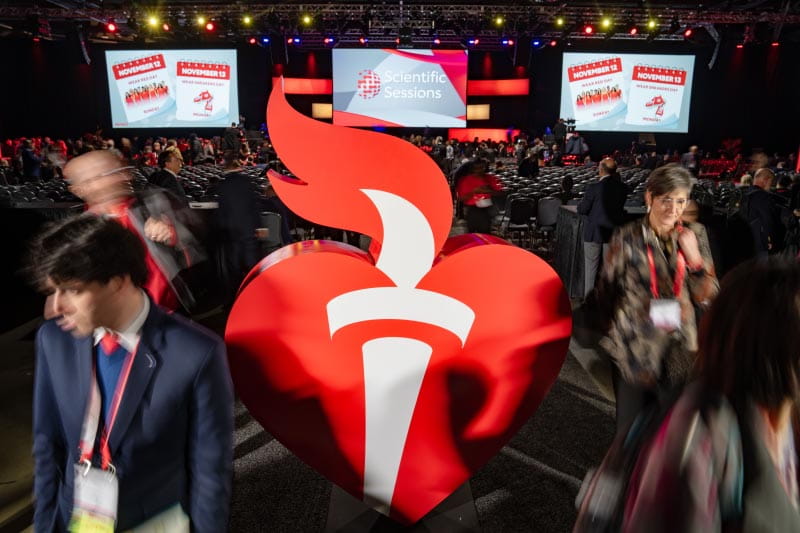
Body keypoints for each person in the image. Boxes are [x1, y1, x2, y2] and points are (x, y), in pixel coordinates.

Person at [29, 215, 233, 532]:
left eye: (71, 290)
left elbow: (210, 471)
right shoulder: (53, 340)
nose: (55, 308)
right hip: (74, 518)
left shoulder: (196, 353)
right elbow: (47, 447)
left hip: (153, 520)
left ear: (118, 282)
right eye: (53, 291)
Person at [622, 257, 800, 532]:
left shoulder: (783, 419)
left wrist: (694, 265)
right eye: (669, 208)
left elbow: (706, 287)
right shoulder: (700, 430)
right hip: (665, 352)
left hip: (689, 338)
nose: (674, 210)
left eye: (680, 208)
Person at [596, 164, 718, 433]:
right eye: (667, 200)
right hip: (634, 349)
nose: (674, 209)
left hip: (679, 350)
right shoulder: (626, 236)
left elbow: (708, 294)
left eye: (681, 201)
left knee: (672, 435)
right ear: (649, 197)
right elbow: (606, 289)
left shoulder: (694, 235)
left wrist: (695, 260)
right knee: (628, 434)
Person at [60, 150, 203, 312]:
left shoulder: (154, 201)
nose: (120, 177)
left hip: (167, 311)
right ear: (80, 189)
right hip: (116, 320)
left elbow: (198, 235)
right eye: (102, 175)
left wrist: (172, 231)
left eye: (118, 171)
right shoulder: (77, 232)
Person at [215, 150, 263, 307]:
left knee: (233, 270)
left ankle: (235, 302)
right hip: (248, 229)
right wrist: (259, 226)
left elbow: (222, 211)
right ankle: (257, 297)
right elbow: (254, 206)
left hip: (231, 233)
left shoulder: (222, 185)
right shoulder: (247, 182)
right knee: (252, 268)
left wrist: (222, 229)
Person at [577, 158, 628, 297]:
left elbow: (583, 209)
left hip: (594, 233)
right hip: (612, 234)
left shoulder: (593, 188)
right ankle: (608, 301)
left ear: (601, 169)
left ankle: (589, 302)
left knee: (590, 271)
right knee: (609, 271)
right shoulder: (623, 189)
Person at [743, 168, 785, 256]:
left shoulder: (743, 193)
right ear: (766, 180)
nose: (771, 185)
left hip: (743, 242)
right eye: (771, 182)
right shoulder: (764, 197)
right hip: (759, 245)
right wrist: (770, 240)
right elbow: (768, 221)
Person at [456, 159, 503, 234]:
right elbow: (461, 198)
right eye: (477, 168)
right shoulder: (466, 180)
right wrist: (474, 192)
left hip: (487, 210)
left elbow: (501, 193)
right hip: (472, 210)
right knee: (472, 236)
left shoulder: (490, 178)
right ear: (473, 169)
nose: (480, 170)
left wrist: (489, 190)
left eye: (482, 168)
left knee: (485, 235)